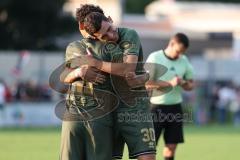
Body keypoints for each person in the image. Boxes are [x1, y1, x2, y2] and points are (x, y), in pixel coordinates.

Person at [82, 12, 156, 160]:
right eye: (104, 36)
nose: (111, 35)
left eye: (110, 28)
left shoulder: (129, 34)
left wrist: (97, 63)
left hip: (135, 109)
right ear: (95, 37)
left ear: (110, 19)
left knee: (147, 157)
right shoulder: (90, 46)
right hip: (108, 112)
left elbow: (128, 69)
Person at [58, 5, 116, 160]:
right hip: (96, 117)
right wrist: (80, 72)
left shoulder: (74, 47)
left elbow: (64, 77)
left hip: (78, 116)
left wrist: (79, 71)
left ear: (81, 25)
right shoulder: (115, 47)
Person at [145, 33, 194, 160]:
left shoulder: (184, 60)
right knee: (149, 149)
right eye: (178, 51)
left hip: (175, 108)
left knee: (171, 148)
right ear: (171, 44)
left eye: (182, 52)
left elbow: (191, 85)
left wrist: (183, 83)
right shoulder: (155, 57)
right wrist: (169, 84)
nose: (179, 54)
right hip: (155, 108)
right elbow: (146, 83)